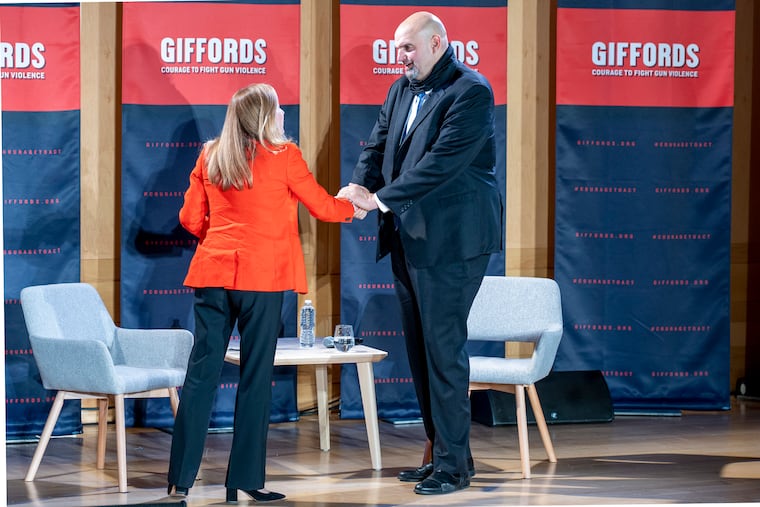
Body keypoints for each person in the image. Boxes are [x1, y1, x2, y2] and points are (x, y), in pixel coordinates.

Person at [168, 83, 361, 503]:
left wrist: (218, 239)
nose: (284, 117)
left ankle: (179, 483)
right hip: (263, 279)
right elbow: (325, 208)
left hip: (213, 275)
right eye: (279, 110)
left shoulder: (211, 154)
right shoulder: (285, 156)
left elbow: (189, 218)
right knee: (255, 380)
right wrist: (357, 205)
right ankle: (243, 481)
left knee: (200, 377)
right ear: (267, 116)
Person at [338, 11, 503, 495]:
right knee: (420, 350)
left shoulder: (471, 91)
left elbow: (441, 165)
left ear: (437, 43)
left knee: (443, 350)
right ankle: (444, 455)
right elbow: (377, 146)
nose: (401, 56)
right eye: (397, 48)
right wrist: (358, 184)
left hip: (454, 241)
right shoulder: (399, 89)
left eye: (409, 47)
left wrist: (380, 199)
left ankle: (453, 468)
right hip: (408, 236)